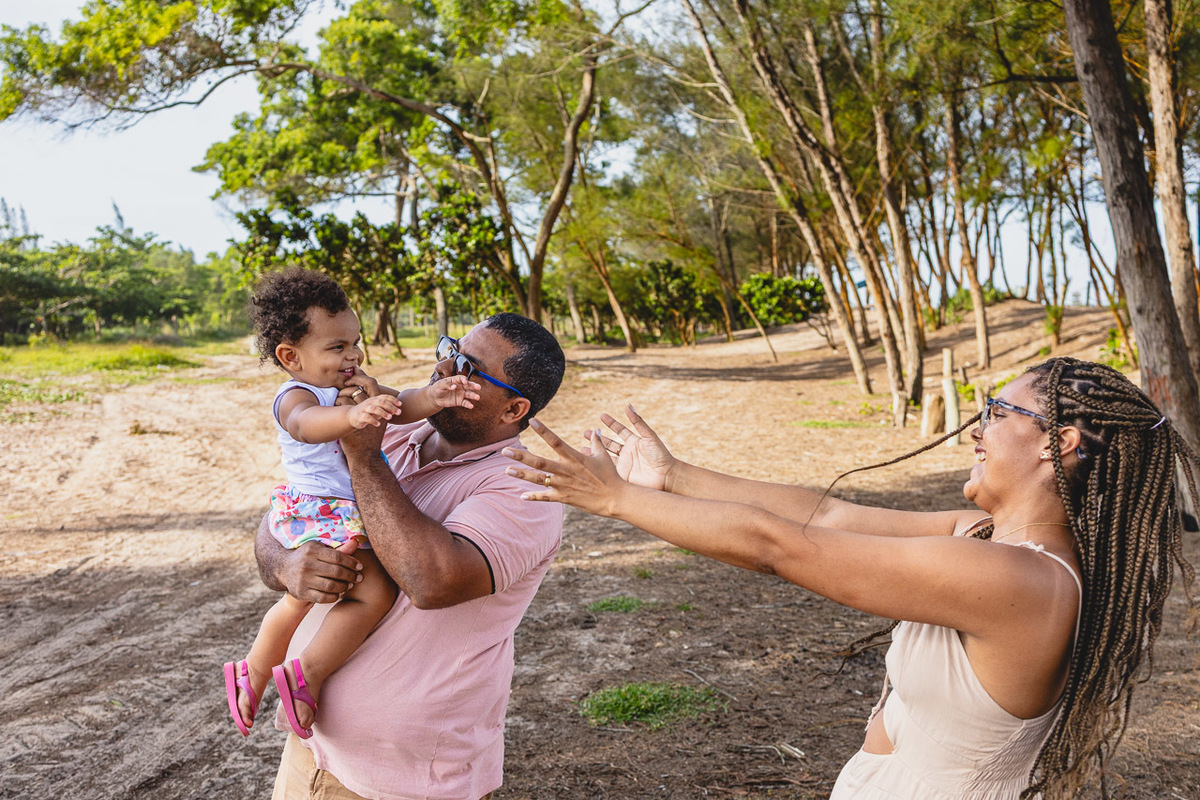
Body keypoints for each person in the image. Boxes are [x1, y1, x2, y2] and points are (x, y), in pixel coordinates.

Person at [503, 357, 1198, 798]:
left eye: (995, 412)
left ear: (1059, 442)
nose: (974, 430)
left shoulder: (1022, 582)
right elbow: (829, 515)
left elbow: (783, 548)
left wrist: (620, 501)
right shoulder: (984, 540)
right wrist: (673, 478)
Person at [255, 311, 566, 800]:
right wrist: (286, 563)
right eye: (449, 350)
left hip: (409, 781)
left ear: (513, 410)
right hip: (311, 751)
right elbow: (289, 512)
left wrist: (363, 455)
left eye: (467, 368)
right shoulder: (393, 432)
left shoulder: (522, 489)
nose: (444, 369)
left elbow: (430, 582)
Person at [224, 267, 481, 741]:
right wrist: (353, 414)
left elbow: (399, 405)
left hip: (344, 509)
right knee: (371, 594)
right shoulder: (295, 396)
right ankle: (305, 674)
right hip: (319, 509)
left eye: (356, 341)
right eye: (337, 347)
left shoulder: (355, 383)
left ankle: (254, 673)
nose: (354, 354)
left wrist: (432, 395)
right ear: (290, 356)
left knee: (302, 599)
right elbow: (307, 424)